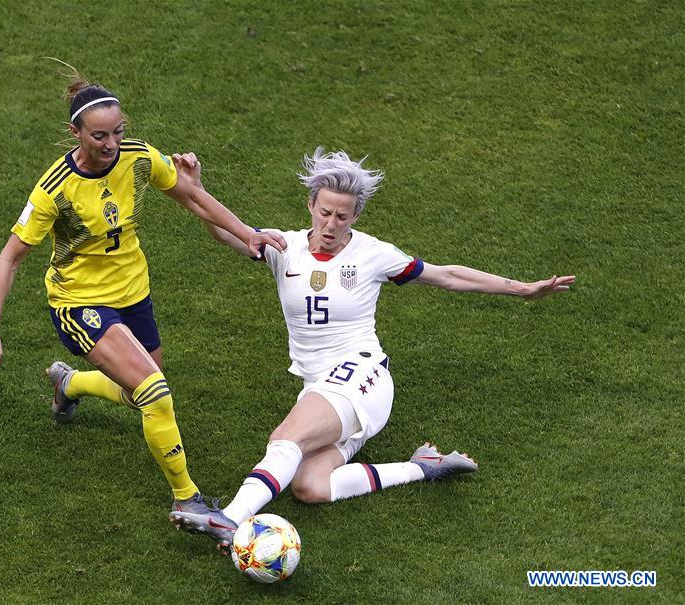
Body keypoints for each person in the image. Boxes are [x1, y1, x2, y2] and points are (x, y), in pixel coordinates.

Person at [169, 148, 575, 549]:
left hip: (361, 375)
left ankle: (229, 518)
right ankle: (421, 468)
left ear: (356, 216)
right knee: (311, 486)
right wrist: (196, 189)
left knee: (286, 439)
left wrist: (522, 289)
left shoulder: (373, 255)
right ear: (310, 205)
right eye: (324, 212)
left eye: (342, 216)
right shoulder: (284, 248)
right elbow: (225, 233)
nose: (331, 224)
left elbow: (447, 275)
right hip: (321, 386)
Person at [0, 66, 285, 520]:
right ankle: (187, 500)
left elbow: (190, 195)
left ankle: (69, 382)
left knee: (142, 386)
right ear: (74, 131)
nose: (111, 143)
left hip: (133, 293)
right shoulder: (54, 191)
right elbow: (10, 258)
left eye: (118, 131)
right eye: (99, 135)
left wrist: (246, 232)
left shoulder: (139, 157)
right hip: (80, 303)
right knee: (155, 392)